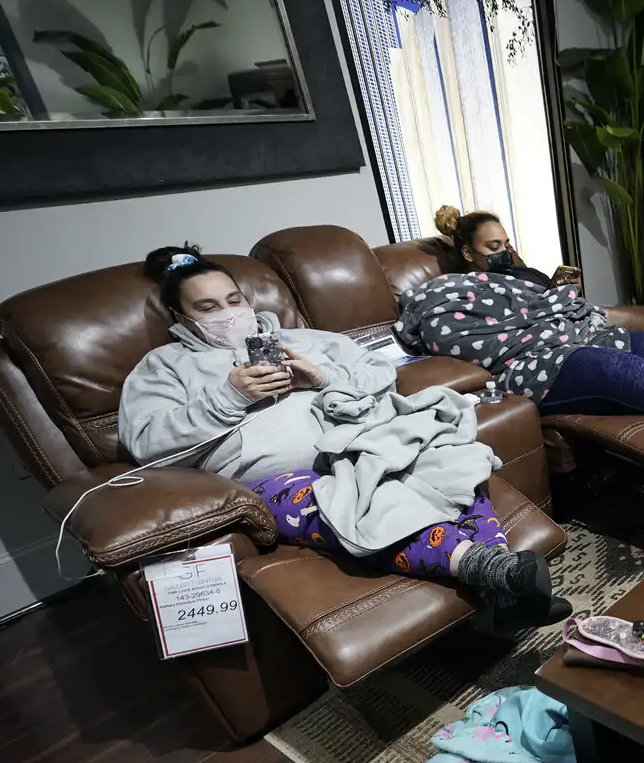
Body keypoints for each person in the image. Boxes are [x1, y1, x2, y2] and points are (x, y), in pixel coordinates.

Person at [119, 244, 569, 625]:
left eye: (234, 300)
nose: (229, 314)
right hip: (280, 479)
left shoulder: (309, 339)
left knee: (452, 464)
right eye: (208, 308)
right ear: (182, 316)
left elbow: (378, 372)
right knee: (347, 504)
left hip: (365, 442)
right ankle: (490, 568)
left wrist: (322, 376)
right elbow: (145, 443)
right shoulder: (163, 367)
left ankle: (505, 594)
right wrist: (227, 397)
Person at [400, 206, 644, 452]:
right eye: (492, 247)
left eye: (506, 242)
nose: (503, 251)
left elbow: (555, 306)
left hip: (570, 337)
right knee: (595, 361)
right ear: (468, 253)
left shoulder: (521, 277)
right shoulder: (449, 289)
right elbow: (452, 335)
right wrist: (552, 325)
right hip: (529, 366)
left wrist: (563, 298)